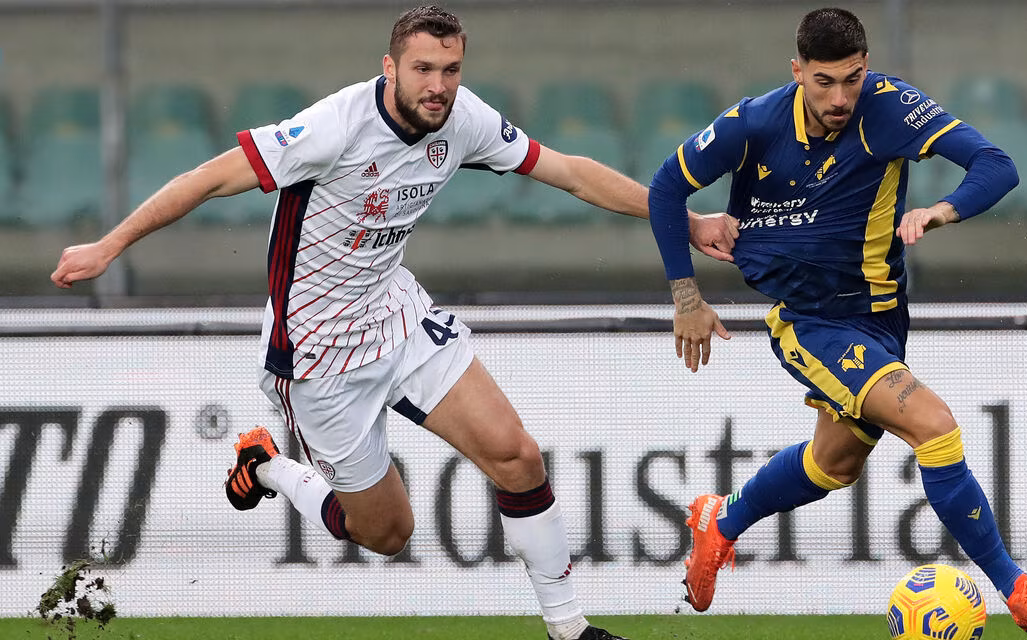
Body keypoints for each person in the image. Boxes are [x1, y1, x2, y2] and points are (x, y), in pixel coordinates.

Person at [50, 6, 739, 640]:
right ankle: (265, 467)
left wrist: (689, 219)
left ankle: (569, 628)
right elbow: (204, 179)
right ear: (391, 69)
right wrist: (110, 246)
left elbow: (572, 174)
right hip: (317, 356)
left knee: (518, 457)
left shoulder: (462, 118)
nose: (438, 85)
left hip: (395, 315)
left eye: (450, 69)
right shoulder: (333, 128)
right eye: (423, 70)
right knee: (384, 532)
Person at [646, 7, 1027, 634]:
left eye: (852, 79)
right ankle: (1017, 589)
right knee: (935, 427)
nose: (840, 97)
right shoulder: (754, 122)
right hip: (809, 322)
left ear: (867, 68)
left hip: (880, 319)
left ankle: (723, 519)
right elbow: (665, 188)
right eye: (824, 82)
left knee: (834, 466)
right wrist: (686, 298)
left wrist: (940, 211)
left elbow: (995, 164)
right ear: (797, 73)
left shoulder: (890, 108)